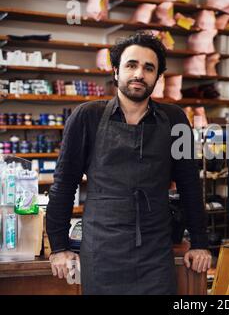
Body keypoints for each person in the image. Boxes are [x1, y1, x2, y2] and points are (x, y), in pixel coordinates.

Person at [46, 33, 211, 294]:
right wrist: (59, 247)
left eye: (149, 68)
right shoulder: (87, 116)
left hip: (155, 252)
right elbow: (64, 185)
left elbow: (190, 184)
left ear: (157, 77)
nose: (139, 74)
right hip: (102, 250)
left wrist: (200, 242)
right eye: (131, 65)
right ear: (116, 70)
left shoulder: (175, 119)